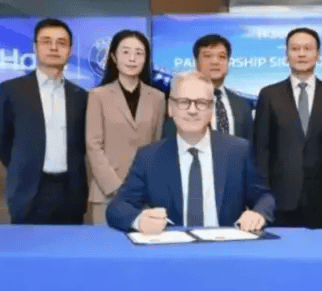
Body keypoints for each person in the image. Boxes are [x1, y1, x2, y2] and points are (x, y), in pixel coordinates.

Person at [106, 71, 273, 234]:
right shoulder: (149, 157)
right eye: (183, 102)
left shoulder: (239, 151)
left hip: (225, 246)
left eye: (201, 102)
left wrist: (258, 214)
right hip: (172, 248)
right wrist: (139, 220)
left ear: (211, 109)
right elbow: (117, 207)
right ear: (171, 108)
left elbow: (264, 197)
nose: (192, 110)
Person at [0, 18, 88, 224]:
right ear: (35, 47)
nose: (54, 48)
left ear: (70, 51)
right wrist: (24, 164)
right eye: (46, 41)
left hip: (70, 191)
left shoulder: (80, 96)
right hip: (28, 191)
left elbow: (84, 144)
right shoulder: (11, 90)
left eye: (61, 43)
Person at [253, 27, 322, 228]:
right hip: (279, 197)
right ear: (286, 55)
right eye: (295, 49)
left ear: (318, 54)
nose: (301, 54)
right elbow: (261, 150)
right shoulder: (269, 95)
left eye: (307, 48)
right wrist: (261, 196)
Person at [86, 30, 165, 224]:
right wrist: (116, 188)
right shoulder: (98, 96)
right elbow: (93, 146)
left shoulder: (157, 97)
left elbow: (156, 145)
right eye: (126, 52)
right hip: (107, 193)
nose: (132, 58)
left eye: (139, 53)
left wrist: (144, 187)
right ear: (114, 57)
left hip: (144, 194)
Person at [164, 34, 254, 140]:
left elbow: (248, 144)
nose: (215, 62)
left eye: (222, 57)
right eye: (207, 56)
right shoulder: (178, 100)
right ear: (196, 62)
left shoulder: (242, 104)